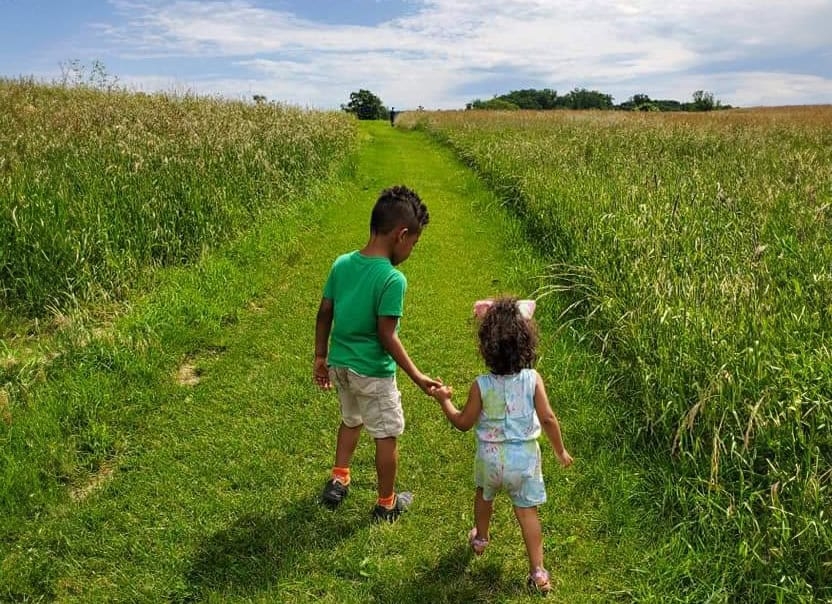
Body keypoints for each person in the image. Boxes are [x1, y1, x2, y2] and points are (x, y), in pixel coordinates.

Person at [428, 297, 573, 593]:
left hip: (490, 460)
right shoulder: (533, 379)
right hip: (524, 463)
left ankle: (480, 538)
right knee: (527, 513)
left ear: (487, 347)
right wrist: (559, 450)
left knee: (484, 495)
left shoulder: (481, 385)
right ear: (526, 343)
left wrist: (444, 400)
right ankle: (538, 572)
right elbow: (547, 417)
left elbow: (463, 422)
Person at [314, 185, 441, 523]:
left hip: (340, 365)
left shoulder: (341, 264)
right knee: (386, 434)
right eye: (414, 243)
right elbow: (387, 336)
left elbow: (324, 311)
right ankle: (386, 503)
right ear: (401, 235)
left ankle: (339, 478)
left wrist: (319, 356)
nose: (411, 250)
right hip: (372, 372)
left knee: (351, 419)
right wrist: (417, 376)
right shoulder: (391, 279)